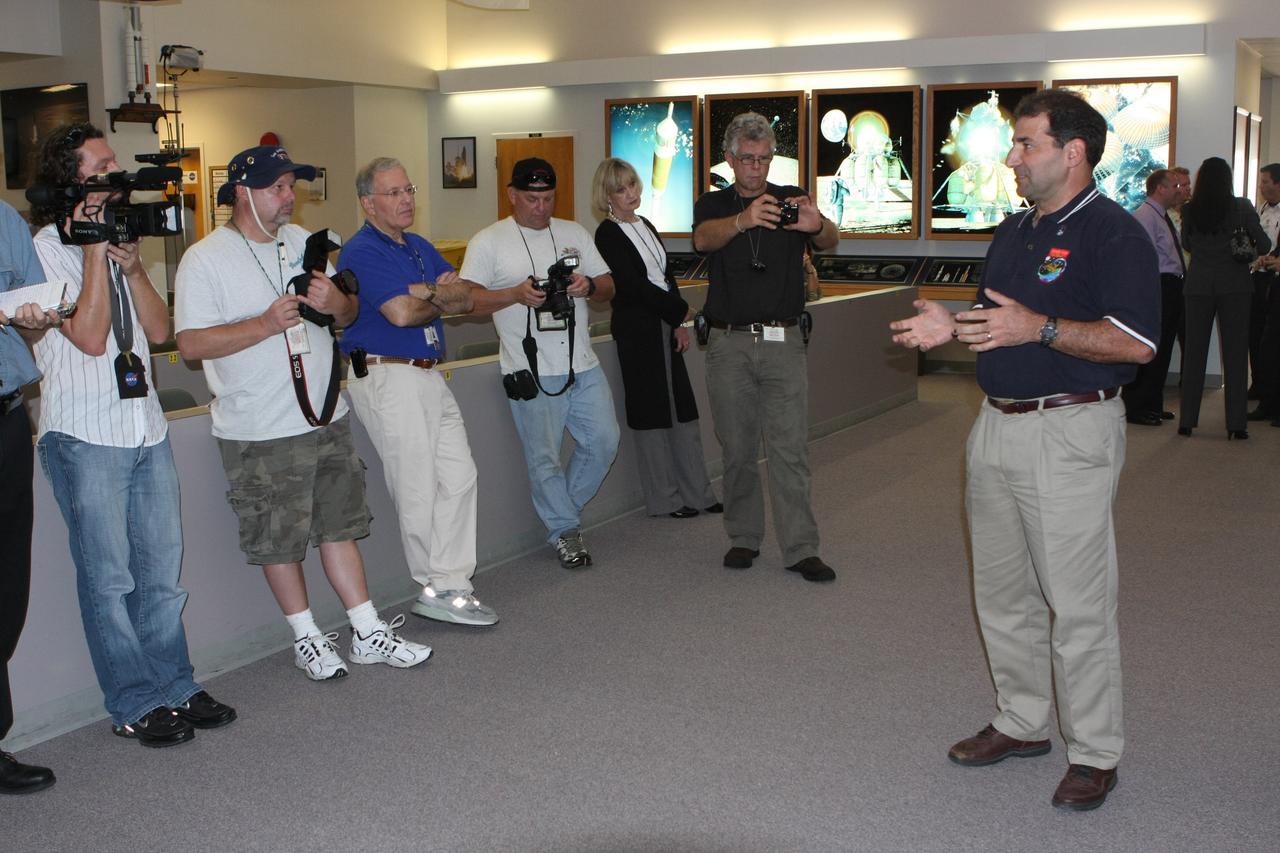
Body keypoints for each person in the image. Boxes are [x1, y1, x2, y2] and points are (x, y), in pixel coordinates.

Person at [889, 89, 1160, 811]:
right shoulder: (1013, 231)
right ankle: (1021, 719)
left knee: (1077, 605)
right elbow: (998, 321)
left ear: (1072, 153)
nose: (1011, 158)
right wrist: (954, 324)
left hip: (1070, 431)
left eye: (1026, 144)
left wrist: (1041, 328)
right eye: (1013, 144)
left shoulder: (1115, 234)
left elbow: (1134, 343)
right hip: (995, 426)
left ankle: (1096, 751)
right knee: (1002, 593)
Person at [175, 144, 431, 680]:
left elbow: (349, 310)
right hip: (259, 427)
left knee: (340, 526)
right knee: (279, 537)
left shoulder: (302, 244)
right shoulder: (206, 258)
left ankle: (367, 629)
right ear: (242, 192)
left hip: (324, 415)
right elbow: (192, 344)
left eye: (293, 185)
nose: (290, 198)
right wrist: (263, 325)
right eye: (278, 188)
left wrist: (335, 304)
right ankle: (307, 636)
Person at [30, 123, 236, 747]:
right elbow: (90, 337)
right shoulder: (42, 249)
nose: (115, 175)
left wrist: (135, 268)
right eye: (102, 166)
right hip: (82, 437)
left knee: (160, 578)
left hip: (145, 429)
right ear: (72, 181)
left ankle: (175, 685)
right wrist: (94, 252)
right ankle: (132, 701)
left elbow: (159, 331)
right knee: (110, 581)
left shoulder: (120, 239)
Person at [338, 157, 497, 627]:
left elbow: (465, 297)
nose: (407, 199)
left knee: (460, 476)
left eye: (409, 189)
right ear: (368, 203)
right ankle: (436, 585)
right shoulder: (360, 252)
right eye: (394, 193)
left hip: (429, 372)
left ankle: (450, 581)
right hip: (389, 375)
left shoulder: (419, 245)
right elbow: (401, 315)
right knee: (417, 487)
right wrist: (435, 294)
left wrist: (424, 291)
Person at [691, 112, 839, 583]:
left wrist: (816, 226)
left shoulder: (792, 200)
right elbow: (701, 240)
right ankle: (743, 537)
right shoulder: (713, 203)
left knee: (789, 448)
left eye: (764, 159)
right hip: (728, 344)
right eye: (747, 159)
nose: (756, 169)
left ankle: (800, 548)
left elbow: (833, 240)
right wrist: (743, 219)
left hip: (784, 340)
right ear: (731, 160)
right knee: (736, 448)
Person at [459, 158, 620, 569]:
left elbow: (608, 286)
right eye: (531, 199)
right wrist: (514, 295)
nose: (541, 207)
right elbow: (469, 300)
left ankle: (562, 510)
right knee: (543, 458)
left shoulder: (575, 232)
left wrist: (588, 285)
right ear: (512, 195)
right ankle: (565, 531)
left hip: (580, 363)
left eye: (548, 199)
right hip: (528, 369)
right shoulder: (488, 241)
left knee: (604, 440)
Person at [591, 157, 720, 519]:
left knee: (683, 409)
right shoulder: (607, 233)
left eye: (632, 184)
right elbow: (631, 287)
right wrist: (678, 312)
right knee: (653, 415)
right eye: (621, 188)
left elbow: (665, 277)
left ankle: (699, 493)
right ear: (607, 196)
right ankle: (665, 499)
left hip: (663, 324)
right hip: (637, 331)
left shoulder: (645, 224)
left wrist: (678, 321)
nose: (631, 193)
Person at [0, 200, 58, 791]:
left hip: (8, 417)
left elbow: (31, 319)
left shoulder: (3, 220)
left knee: (7, 586)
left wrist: (35, 318)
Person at [1177, 157, 1271, 439]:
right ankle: (1236, 425)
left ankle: (1187, 422)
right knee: (1235, 353)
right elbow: (1265, 244)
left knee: (1194, 353)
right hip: (1236, 286)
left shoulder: (1191, 209)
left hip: (1199, 285)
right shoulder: (1241, 206)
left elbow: (1187, 244)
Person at [1122, 169, 1189, 425]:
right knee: (1151, 348)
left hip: (1171, 287)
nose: (1179, 190)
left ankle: (1152, 404)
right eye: (1174, 185)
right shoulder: (1145, 216)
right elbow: (1143, 260)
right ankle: (1138, 407)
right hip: (1158, 286)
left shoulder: (1161, 216)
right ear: (1160, 188)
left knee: (1163, 350)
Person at [1246, 164, 1280, 423]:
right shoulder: (1262, 209)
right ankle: (1261, 389)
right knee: (1257, 338)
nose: (1261, 186)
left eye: (1266, 181)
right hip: (1260, 279)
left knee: (1272, 343)